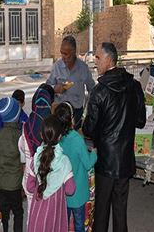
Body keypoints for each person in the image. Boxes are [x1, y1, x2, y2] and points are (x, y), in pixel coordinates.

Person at [82, 42, 146, 232]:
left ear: (109, 60)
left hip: (105, 162)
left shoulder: (99, 92)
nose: (95, 61)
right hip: (125, 159)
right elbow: (141, 120)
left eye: (98, 57)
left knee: (101, 212)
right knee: (120, 209)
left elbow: (88, 130)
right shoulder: (134, 86)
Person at [26, 116, 76, 232]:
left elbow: (29, 186)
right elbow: (70, 190)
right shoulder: (64, 161)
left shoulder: (36, 157)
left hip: (38, 207)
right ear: (60, 136)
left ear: (41, 135)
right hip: (55, 211)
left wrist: (40, 187)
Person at [55, 102, 97, 232]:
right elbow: (88, 163)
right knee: (79, 224)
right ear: (71, 119)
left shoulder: (56, 139)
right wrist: (94, 153)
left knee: (64, 224)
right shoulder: (77, 139)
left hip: (62, 192)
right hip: (78, 192)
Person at [18, 84, 54, 224]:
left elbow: (21, 151)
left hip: (29, 179)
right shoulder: (51, 128)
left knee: (32, 214)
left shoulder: (26, 126)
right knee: (46, 216)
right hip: (48, 180)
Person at [47, 35, 95, 130]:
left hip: (76, 112)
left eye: (66, 54)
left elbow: (92, 90)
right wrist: (55, 89)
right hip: (59, 111)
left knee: (74, 139)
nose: (63, 57)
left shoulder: (83, 68)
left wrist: (88, 110)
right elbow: (46, 87)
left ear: (73, 53)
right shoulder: (57, 66)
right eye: (61, 53)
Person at [0, 97, 24, 232]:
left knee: (3, 213)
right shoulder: (19, 135)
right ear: (16, 115)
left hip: (0, 183)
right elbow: (23, 159)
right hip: (14, 183)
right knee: (18, 212)